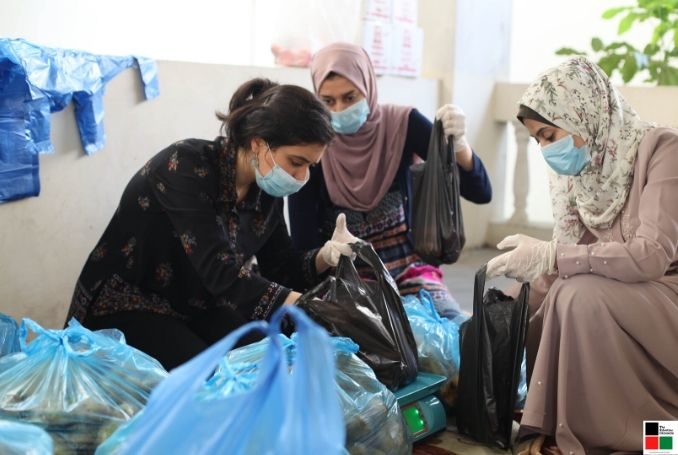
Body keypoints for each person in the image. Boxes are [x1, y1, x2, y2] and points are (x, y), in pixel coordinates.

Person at [65, 78, 359, 370]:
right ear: (258, 143)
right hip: (129, 302)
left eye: (310, 166)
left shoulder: (266, 194)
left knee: (275, 359)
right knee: (214, 376)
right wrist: (310, 306)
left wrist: (326, 256)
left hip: (197, 305)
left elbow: (280, 268)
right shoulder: (185, 166)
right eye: (296, 162)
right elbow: (220, 271)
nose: (301, 177)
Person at [487, 57, 678, 454]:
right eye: (538, 140)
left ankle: (651, 438)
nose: (545, 149)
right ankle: (558, 421)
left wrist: (555, 256)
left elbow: (652, 255)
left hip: (666, 295)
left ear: (581, 112)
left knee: (576, 294)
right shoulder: (583, 174)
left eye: (549, 134)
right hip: (623, 296)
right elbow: (560, 264)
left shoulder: (664, 149)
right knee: (531, 302)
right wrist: (508, 304)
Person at [288, 43, 492, 319]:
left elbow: (480, 192)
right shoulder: (313, 147)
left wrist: (460, 148)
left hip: (412, 271)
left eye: (350, 97)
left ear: (368, 87)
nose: (340, 109)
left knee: (450, 330)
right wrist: (325, 256)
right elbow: (303, 247)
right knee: (369, 342)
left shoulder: (401, 125)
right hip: (349, 281)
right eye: (328, 101)